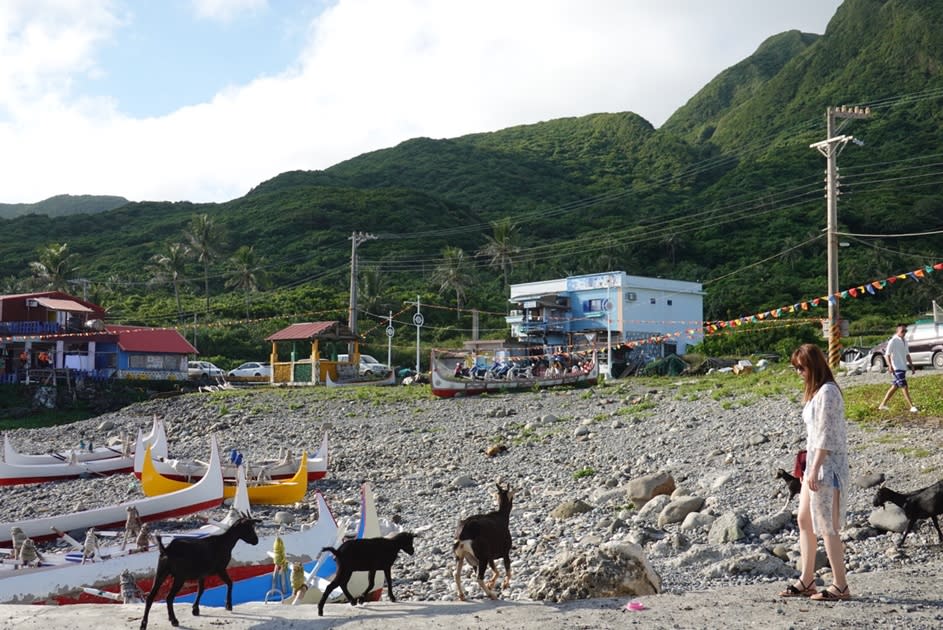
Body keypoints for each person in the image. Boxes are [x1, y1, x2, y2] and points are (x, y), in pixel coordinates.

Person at [779, 343, 851, 601]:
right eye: (796, 368)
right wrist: (807, 467)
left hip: (827, 467)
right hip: (814, 465)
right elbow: (815, 435)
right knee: (804, 520)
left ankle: (840, 585)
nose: (799, 372)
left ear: (814, 366)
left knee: (827, 525)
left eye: (802, 367)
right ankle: (807, 578)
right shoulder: (817, 393)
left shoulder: (828, 392)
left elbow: (827, 435)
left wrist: (816, 466)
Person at [878, 323, 917, 413]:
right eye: (902, 331)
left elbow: (907, 354)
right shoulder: (893, 340)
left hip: (903, 366)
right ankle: (911, 406)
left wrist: (911, 365)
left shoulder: (905, 341)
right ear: (897, 331)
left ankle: (882, 405)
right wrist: (889, 365)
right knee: (904, 385)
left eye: (905, 331)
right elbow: (887, 354)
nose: (904, 332)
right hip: (896, 367)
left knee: (895, 386)